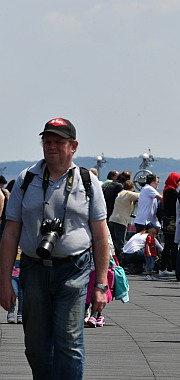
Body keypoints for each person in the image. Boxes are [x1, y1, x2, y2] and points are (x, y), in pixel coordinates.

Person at [0, 117, 109, 379]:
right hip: (33, 269)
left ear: (73, 146)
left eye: (59, 142)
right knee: (35, 346)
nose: (51, 147)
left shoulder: (87, 181)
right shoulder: (26, 179)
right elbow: (11, 232)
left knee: (69, 342)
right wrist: (4, 281)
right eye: (47, 141)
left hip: (73, 269)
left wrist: (101, 285)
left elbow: (101, 235)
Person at [108, 180, 139, 261]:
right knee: (120, 243)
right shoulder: (129, 193)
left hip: (112, 219)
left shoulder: (120, 194)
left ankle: (113, 261)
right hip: (120, 221)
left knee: (113, 243)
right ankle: (122, 262)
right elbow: (141, 196)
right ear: (132, 188)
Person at [160, 172, 180, 276]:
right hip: (171, 221)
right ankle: (168, 267)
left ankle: (165, 267)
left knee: (169, 245)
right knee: (171, 245)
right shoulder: (171, 191)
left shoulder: (166, 190)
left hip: (167, 221)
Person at [7, 250, 23, 324]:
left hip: (22, 275)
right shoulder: (11, 245)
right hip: (12, 276)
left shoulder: (24, 247)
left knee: (22, 295)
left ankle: (20, 314)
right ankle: (10, 312)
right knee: (14, 293)